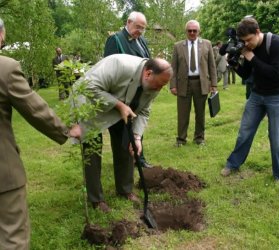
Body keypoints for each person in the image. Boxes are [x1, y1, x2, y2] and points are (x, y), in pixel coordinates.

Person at [0, 18, 81, 249]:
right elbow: (35, 109)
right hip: (3, 174)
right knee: (11, 236)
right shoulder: (5, 68)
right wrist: (66, 130)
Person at [78, 54, 172, 212]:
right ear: (148, 74)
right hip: (91, 104)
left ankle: (125, 189)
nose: (160, 89)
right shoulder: (119, 65)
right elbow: (89, 88)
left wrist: (136, 137)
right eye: (160, 84)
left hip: (121, 108)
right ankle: (96, 200)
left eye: (164, 85)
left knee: (127, 145)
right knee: (92, 151)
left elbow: (143, 112)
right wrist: (119, 105)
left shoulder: (155, 83)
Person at [221, 17, 279, 183]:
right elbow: (246, 75)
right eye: (243, 41)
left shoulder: (276, 43)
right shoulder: (248, 48)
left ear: (258, 32)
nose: (246, 44)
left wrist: (251, 57)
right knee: (245, 131)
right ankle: (233, 164)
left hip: (278, 95)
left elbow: (275, 73)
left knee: (277, 137)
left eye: (248, 40)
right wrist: (235, 64)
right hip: (257, 94)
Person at [103, 11, 152, 169]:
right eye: (138, 27)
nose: (140, 31)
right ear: (128, 22)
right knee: (122, 129)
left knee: (137, 125)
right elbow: (109, 67)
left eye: (143, 28)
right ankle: (126, 162)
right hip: (122, 93)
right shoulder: (115, 39)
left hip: (139, 91)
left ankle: (139, 158)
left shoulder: (142, 40)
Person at [170, 20, 217, 147]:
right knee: (182, 113)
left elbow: (212, 66)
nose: (192, 33)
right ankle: (181, 139)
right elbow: (173, 68)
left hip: (201, 83)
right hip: (183, 84)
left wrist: (214, 84)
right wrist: (173, 85)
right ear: (186, 31)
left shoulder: (207, 44)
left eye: (194, 30)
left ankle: (199, 138)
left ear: (199, 31)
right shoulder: (178, 46)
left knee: (200, 113)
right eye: (189, 30)